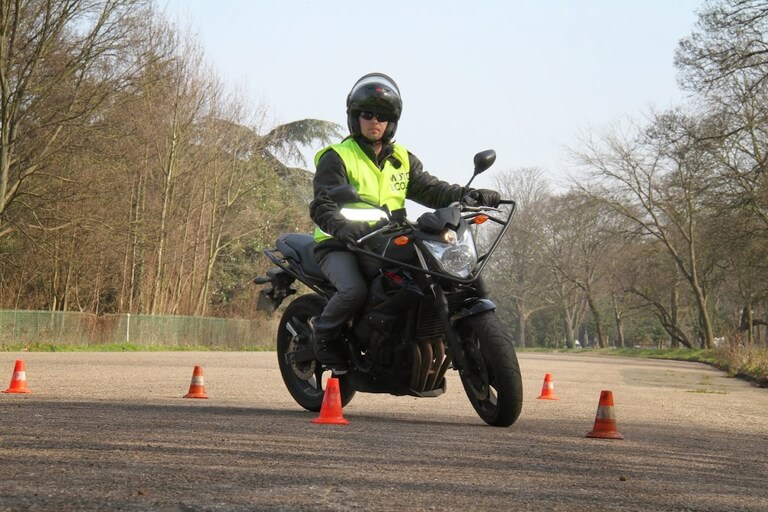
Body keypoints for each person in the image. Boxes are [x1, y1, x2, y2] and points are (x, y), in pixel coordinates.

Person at [308, 72, 501, 367]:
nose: (375, 121)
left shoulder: (401, 157)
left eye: (382, 116)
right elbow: (323, 205)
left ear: (392, 122)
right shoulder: (336, 157)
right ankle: (322, 336)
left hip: (387, 239)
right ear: (355, 118)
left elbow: (431, 189)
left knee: (443, 269)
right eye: (368, 114)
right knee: (354, 291)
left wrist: (468, 195)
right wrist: (342, 227)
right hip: (340, 243)